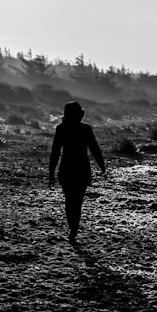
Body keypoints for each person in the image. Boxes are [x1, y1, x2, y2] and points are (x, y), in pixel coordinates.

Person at [48, 101, 106, 244]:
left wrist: (51, 172)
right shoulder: (85, 129)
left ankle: (72, 228)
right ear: (79, 115)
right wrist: (101, 165)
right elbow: (94, 149)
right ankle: (74, 229)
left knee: (69, 201)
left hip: (66, 168)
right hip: (82, 169)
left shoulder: (61, 129)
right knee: (77, 203)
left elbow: (55, 152)